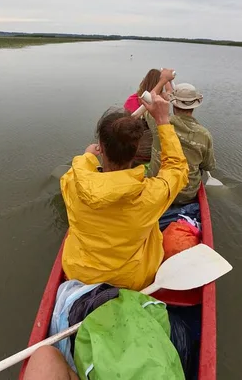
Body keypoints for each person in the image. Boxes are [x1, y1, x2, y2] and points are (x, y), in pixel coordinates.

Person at [60, 92, 188, 290]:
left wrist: (87, 157)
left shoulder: (72, 182)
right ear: (136, 151)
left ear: (101, 147)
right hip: (131, 280)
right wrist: (163, 121)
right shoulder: (152, 194)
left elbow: (76, 172)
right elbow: (177, 169)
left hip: (80, 274)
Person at [147, 83, 216, 205]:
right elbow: (208, 166)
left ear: (173, 103)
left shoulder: (156, 122)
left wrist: (164, 81)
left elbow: (148, 101)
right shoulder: (205, 135)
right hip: (187, 196)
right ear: (194, 106)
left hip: (158, 192)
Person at [123, 69, 175, 167]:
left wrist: (165, 79)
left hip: (133, 146)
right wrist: (164, 80)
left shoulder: (132, 99)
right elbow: (148, 100)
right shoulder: (160, 102)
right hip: (150, 149)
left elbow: (169, 91)